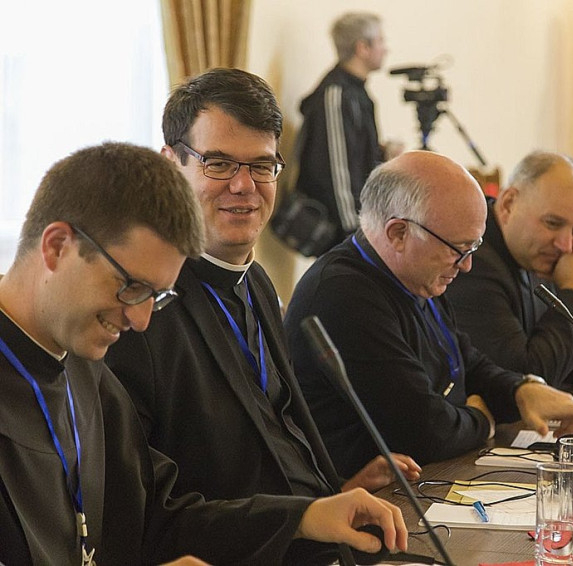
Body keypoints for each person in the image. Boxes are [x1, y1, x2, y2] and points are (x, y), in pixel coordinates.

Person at [0, 142, 406, 565]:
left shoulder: (87, 371)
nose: (140, 320)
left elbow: (158, 518)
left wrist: (304, 517)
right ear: (57, 247)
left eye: (156, 297)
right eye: (131, 287)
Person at [103, 68, 415, 563]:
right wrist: (302, 516)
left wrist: (334, 491)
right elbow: (147, 514)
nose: (244, 185)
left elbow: (272, 442)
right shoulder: (135, 308)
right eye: (219, 163)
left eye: (262, 165)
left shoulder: (258, 283)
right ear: (170, 165)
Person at [283, 150, 573, 478]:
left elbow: (465, 361)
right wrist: (483, 420)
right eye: (459, 249)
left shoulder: (416, 273)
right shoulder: (344, 295)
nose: (467, 265)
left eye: (473, 247)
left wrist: (520, 391)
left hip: (418, 480)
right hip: (364, 493)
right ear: (398, 233)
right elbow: (425, 432)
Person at [444, 151, 573, 390]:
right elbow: (528, 383)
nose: (565, 245)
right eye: (552, 223)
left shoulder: (543, 254)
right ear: (508, 204)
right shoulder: (472, 261)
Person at [295, 11, 388, 251]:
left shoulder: (358, 92)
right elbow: (336, 171)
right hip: (343, 234)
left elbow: (353, 154)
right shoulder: (335, 94)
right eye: (380, 41)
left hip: (358, 224)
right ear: (362, 47)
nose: (386, 49)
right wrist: (355, 232)